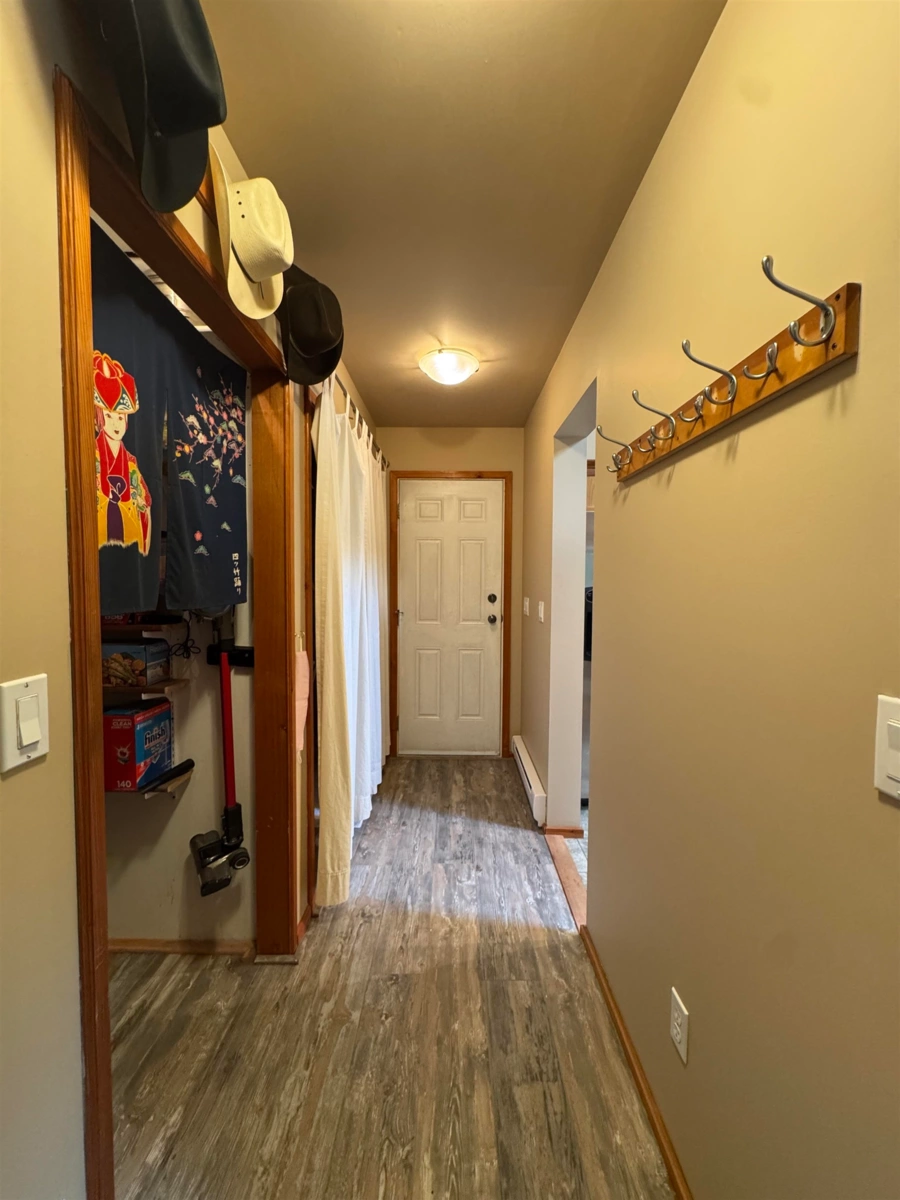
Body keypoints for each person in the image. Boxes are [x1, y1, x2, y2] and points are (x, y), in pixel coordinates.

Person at [93, 350, 151, 553]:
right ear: (97, 419)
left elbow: (145, 503)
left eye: (120, 417)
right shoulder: (92, 455)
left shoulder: (131, 462)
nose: (115, 424)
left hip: (127, 533)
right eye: (108, 416)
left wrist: (141, 502)